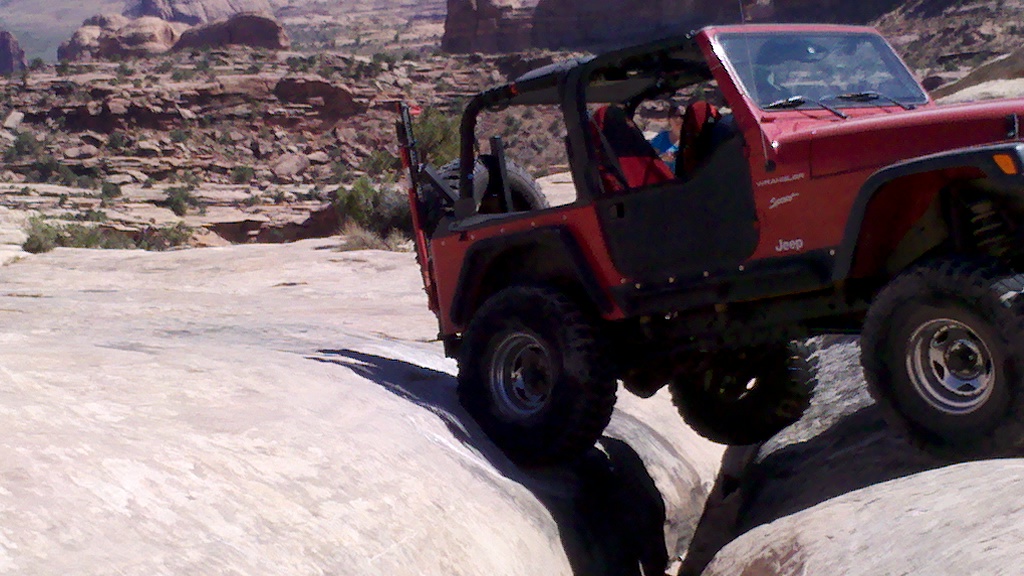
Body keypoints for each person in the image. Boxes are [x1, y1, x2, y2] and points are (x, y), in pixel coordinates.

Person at [649, 105, 684, 173]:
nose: (679, 119)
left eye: (683, 116)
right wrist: (662, 159)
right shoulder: (661, 138)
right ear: (669, 119)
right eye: (675, 116)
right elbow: (650, 159)